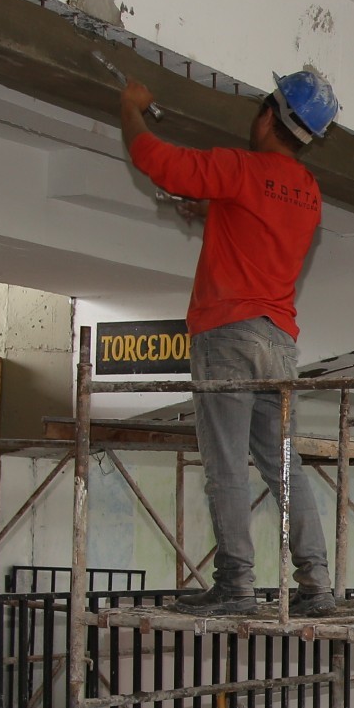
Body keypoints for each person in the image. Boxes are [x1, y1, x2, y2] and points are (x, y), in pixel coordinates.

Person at [118, 69, 339, 617]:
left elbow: (155, 158)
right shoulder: (308, 192)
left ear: (267, 115)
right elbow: (260, 224)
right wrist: (213, 210)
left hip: (228, 334)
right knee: (284, 465)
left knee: (225, 465)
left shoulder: (239, 168)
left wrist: (131, 107)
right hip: (279, 344)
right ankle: (317, 585)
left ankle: (236, 584)